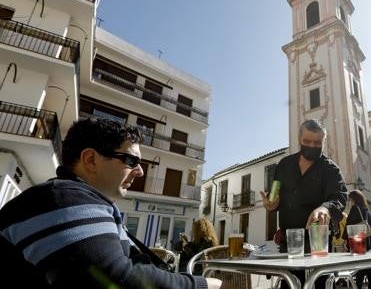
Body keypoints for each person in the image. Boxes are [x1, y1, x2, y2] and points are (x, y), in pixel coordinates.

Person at [0, 118, 221, 289]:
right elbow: (116, 277)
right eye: (130, 160)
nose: (141, 171)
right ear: (90, 160)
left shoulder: (79, 200)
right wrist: (201, 285)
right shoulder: (61, 199)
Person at [261, 119, 348, 289]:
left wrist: (325, 208)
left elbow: (339, 197)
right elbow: (275, 196)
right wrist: (272, 204)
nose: (312, 146)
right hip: (289, 241)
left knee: (321, 284)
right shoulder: (284, 165)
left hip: (318, 240)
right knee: (290, 284)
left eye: (317, 143)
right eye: (307, 141)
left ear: (323, 142)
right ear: (299, 140)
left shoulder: (331, 169)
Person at [343, 189, 371, 289]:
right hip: (368, 242)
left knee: (359, 269)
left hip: (358, 242)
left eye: (350, 200)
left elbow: (349, 225)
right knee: (369, 267)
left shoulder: (355, 209)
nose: (350, 202)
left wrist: (345, 239)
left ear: (354, 199)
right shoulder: (367, 210)